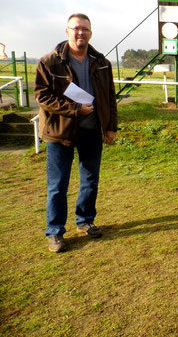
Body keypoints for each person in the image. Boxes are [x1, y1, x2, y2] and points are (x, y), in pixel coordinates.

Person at [35, 13, 118, 253]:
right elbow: (43, 96)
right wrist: (75, 109)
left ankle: (85, 220)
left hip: (92, 131)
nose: (80, 33)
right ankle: (55, 232)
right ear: (67, 31)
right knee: (58, 185)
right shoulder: (50, 61)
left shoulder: (101, 62)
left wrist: (110, 126)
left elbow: (109, 96)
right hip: (60, 132)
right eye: (76, 28)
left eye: (85, 29)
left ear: (91, 33)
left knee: (90, 180)